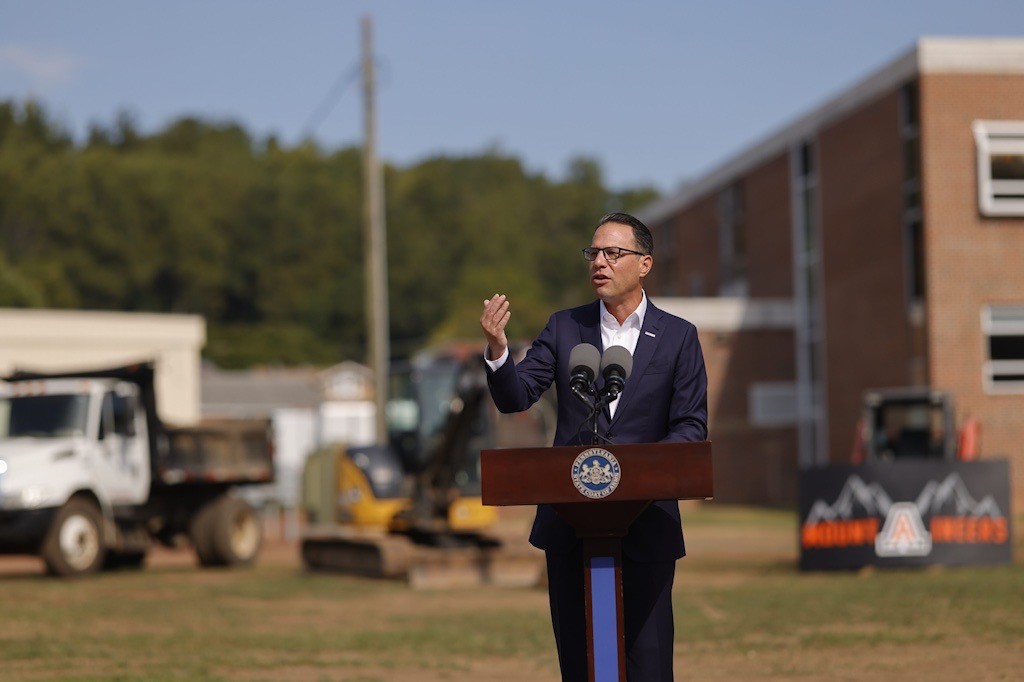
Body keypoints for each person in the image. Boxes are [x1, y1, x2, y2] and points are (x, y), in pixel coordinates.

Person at [479, 212, 708, 681]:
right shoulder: (565, 328)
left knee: (648, 663)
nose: (599, 262)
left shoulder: (679, 336)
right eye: (593, 253)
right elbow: (515, 397)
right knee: (580, 665)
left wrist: (643, 474)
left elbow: (689, 426)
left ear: (644, 264)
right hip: (572, 524)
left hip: (647, 524)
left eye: (613, 253)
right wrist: (498, 350)